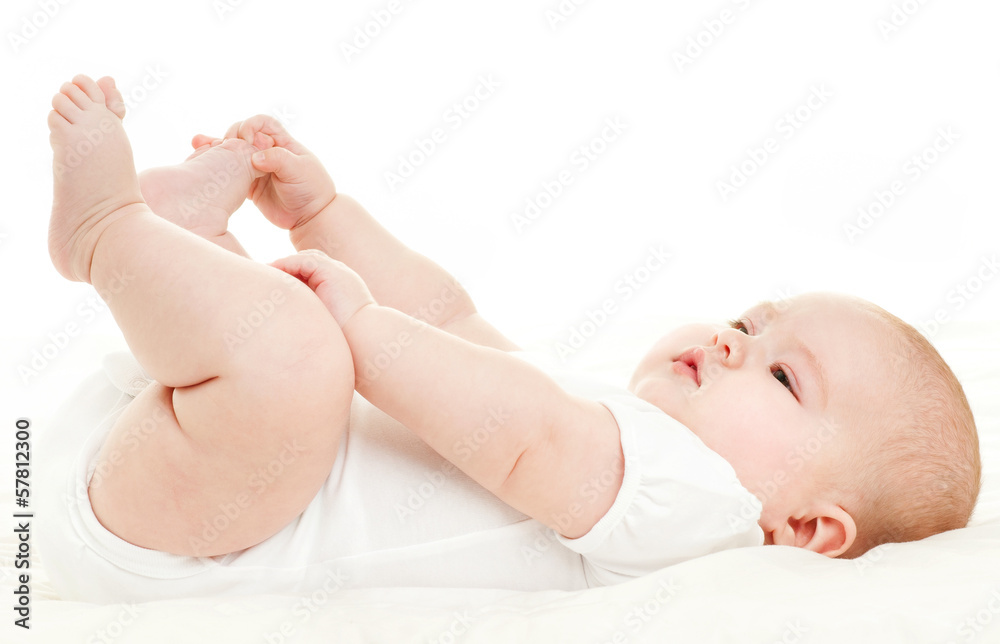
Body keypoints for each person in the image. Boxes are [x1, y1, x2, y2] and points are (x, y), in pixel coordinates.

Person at [39, 74, 981, 602]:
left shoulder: (707, 510)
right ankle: (185, 243)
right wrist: (324, 216)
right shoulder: (601, 422)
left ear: (806, 530)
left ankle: (107, 235)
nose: (734, 344)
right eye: (747, 322)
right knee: (293, 345)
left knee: (299, 353)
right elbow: (446, 319)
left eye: (783, 378)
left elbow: (528, 436)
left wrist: (358, 323)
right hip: (191, 456)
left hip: (193, 533)